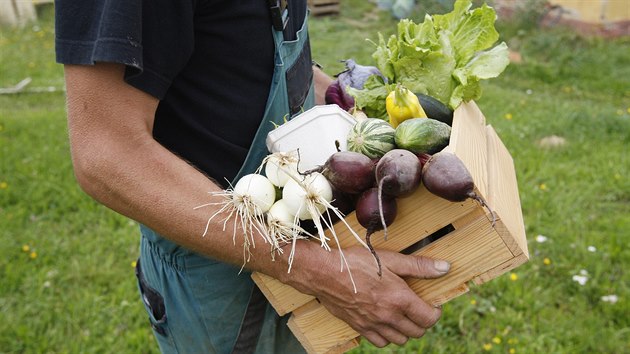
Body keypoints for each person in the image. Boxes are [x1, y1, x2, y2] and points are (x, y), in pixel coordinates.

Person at [54, 0, 451, 352]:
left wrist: (349, 101)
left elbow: (245, 55)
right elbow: (106, 154)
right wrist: (319, 271)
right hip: (214, 278)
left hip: (302, 235)